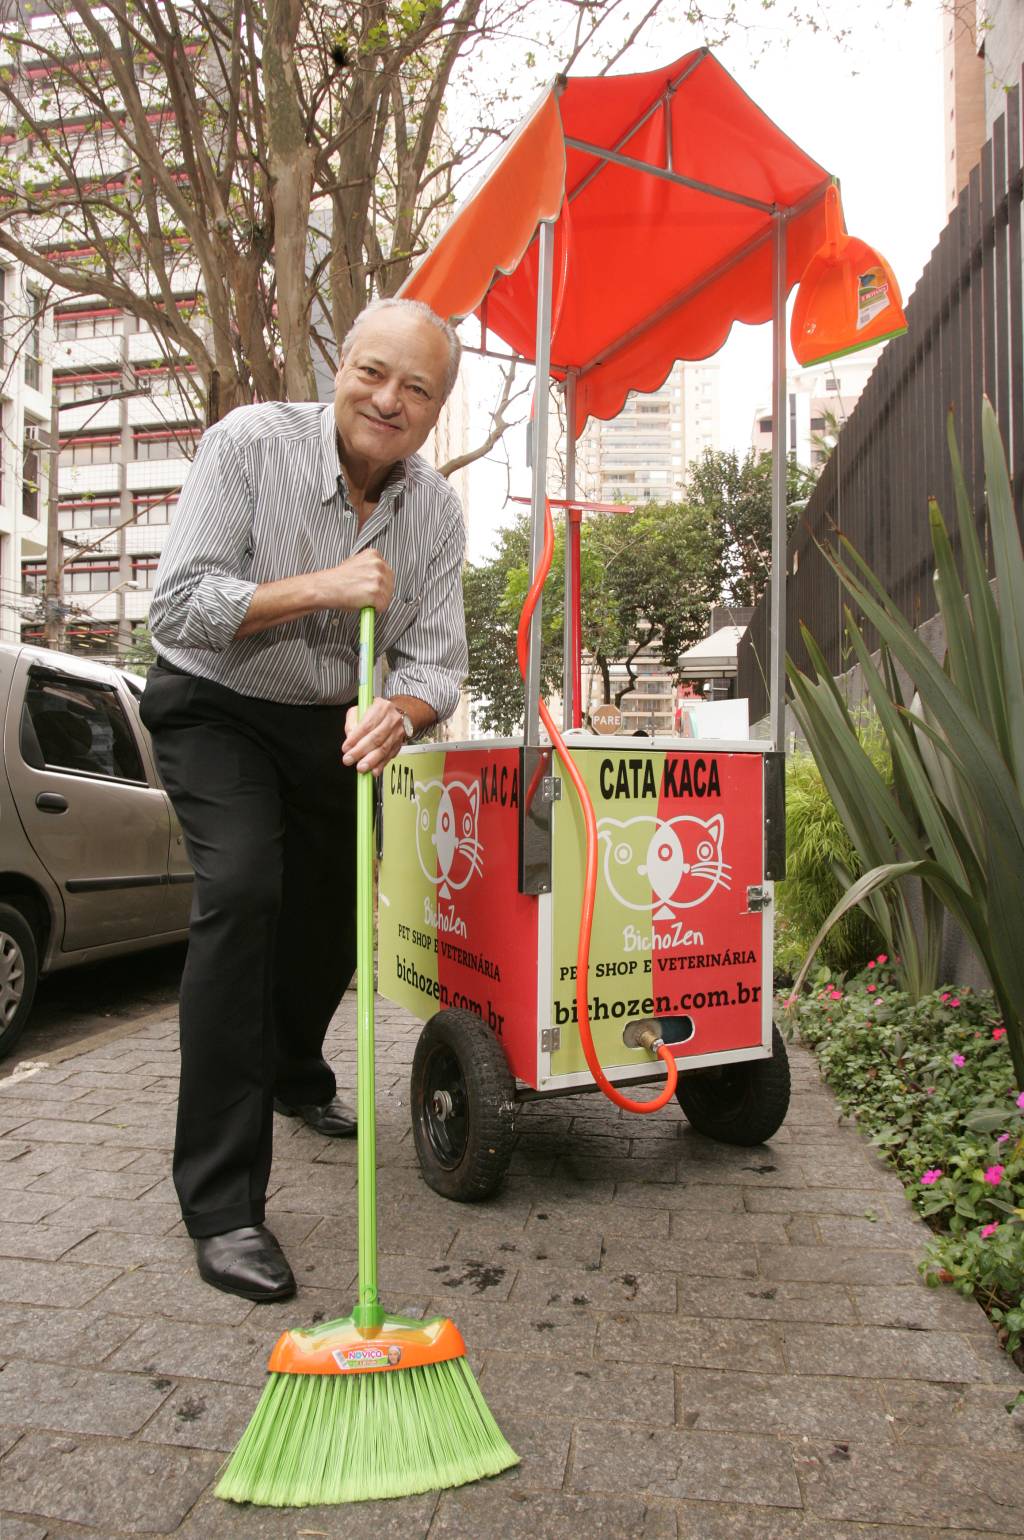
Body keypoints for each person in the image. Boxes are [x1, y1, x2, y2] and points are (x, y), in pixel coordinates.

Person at [142, 298, 467, 1301]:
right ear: (341, 367)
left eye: (416, 388)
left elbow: (437, 662)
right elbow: (180, 602)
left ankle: (295, 1075)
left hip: (336, 726)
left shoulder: (437, 511)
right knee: (244, 896)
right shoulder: (249, 445)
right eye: (374, 371)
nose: (388, 398)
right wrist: (320, 586)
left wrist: (400, 712)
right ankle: (223, 1203)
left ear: (436, 408)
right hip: (218, 704)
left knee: (330, 930)